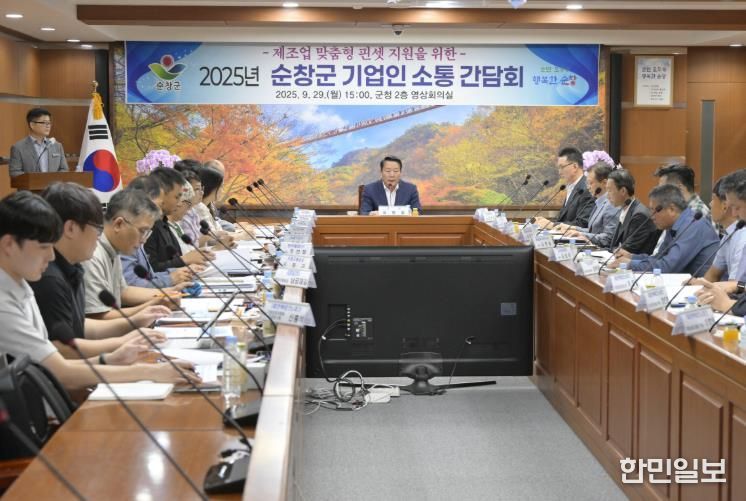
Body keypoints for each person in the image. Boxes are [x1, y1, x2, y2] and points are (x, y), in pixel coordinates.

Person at [0, 191, 200, 389]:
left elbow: (62, 349)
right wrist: (149, 372)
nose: (51, 256)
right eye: (44, 247)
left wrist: (111, 358)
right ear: (9, 245)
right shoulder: (9, 299)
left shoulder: (22, 282)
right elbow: (61, 372)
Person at [30, 182, 170, 362]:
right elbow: (62, 350)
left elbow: (80, 326)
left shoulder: (73, 266)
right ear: (70, 228)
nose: (99, 235)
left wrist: (135, 322)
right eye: (97, 228)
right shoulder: (49, 277)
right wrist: (122, 343)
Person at [82, 189, 181, 320]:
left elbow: (123, 291)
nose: (144, 240)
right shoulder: (92, 255)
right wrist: (152, 306)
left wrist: (165, 294)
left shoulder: (114, 247)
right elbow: (98, 317)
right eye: (142, 231)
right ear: (118, 224)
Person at [611, 184, 718, 275]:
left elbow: (667, 267)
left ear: (671, 209)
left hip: (704, 288)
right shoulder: (673, 226)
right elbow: (659, 258)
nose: (651, 216)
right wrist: (632, 257)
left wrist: (630, 264)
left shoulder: (693, 225)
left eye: (655, 210)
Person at [144, 167, 214, 272]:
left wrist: (188, 263)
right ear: (162, 194)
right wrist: (184, 260)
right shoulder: (148, 226)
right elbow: (151, 270)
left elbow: (174, 258)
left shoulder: (164, 223)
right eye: (177, 197)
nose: (179, 203)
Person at [699, 173, 746, 292]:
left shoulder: (742, 236)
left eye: (737, 207)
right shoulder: (730, 234)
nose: (734, 213)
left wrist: (735, 287)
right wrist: (700, 288)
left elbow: (736, 287)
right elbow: (714, 274)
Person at [560, 161, 620, 247]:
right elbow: (592, 231)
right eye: (587, 183)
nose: (588, 187)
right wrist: (573, 228)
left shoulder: (611, 204)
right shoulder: (598, 202)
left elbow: (608, 238)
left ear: (605, 183)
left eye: (590, 183)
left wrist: (583, 235)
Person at [534, 147, 594, 229]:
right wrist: (547, 222)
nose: (559, 172)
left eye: (562, 167)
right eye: (558, 168)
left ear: (575, 166)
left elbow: (582, 223)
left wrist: (552, 225)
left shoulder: (587, 189)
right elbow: (564, 219)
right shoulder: (571, 187)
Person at [605, 169, 660, 255]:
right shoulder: (625, 209)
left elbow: (628, 250)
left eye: (610, 190)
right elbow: (614, 244)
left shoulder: (639, 215)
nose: (607, 196)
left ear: (623, 191)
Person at [9, 108, 68, 176]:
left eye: (49, 123)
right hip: (31, 183)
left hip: (53, 183)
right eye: (44, 122)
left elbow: (64, 169)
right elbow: (14, 173)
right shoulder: (18, 148)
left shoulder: (57, 146)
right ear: (32, 125)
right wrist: (35, 179)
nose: (48, 126)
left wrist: (52, 179)